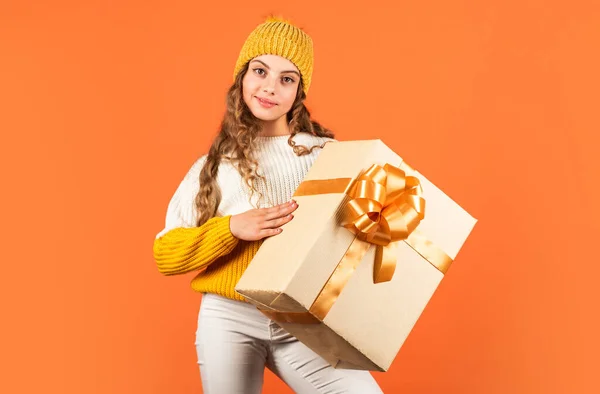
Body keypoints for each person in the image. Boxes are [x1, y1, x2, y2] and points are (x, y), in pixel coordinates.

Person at [153, 16, 383, 394]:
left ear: (299, 92)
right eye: (260, 70)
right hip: (230, 316)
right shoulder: (214, 165)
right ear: (242, 77)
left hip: (304, 320)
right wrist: (230, 229)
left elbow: (361, 236)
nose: (270, 87)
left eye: (287, 78)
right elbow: (165, 254)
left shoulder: (328, 156)